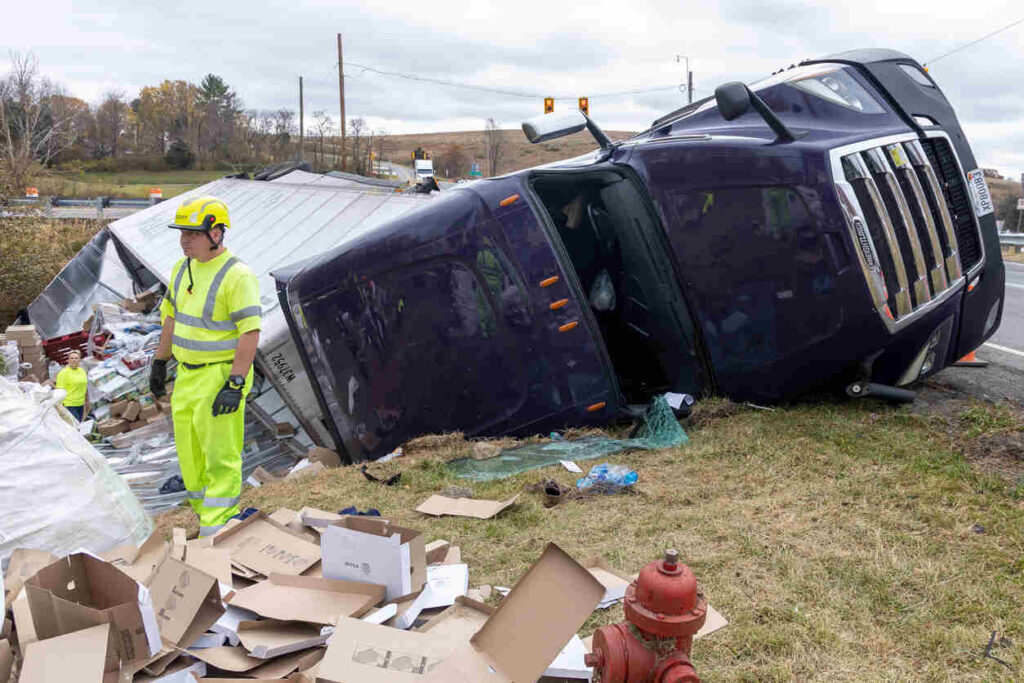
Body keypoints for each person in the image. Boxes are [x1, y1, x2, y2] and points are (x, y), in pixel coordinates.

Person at [148, 196, 262, 537]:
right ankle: (205, 518)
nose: (184, 240)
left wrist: (235, 383)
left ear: (216, 233)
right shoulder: (181, 269)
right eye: (182, 233)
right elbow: (170, 318)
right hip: (187, 375)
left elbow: (250, 333)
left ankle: (219, 526)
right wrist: (159, 362)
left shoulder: (238, 275)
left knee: (220, 455)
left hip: (219, 376)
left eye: (192, 234)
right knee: (191, 456)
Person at [54, 349, 89, 421]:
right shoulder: (64, 373)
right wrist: (60, 407)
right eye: (71, 358)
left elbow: (85, 387)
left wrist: (87, 401)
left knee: (80, 423)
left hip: (80, 403)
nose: (74, 360)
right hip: (69, 405)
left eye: (76, 358)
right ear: (68, 360)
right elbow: (59, 391)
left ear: (79, 360)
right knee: (75, 425)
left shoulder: (82, 371)